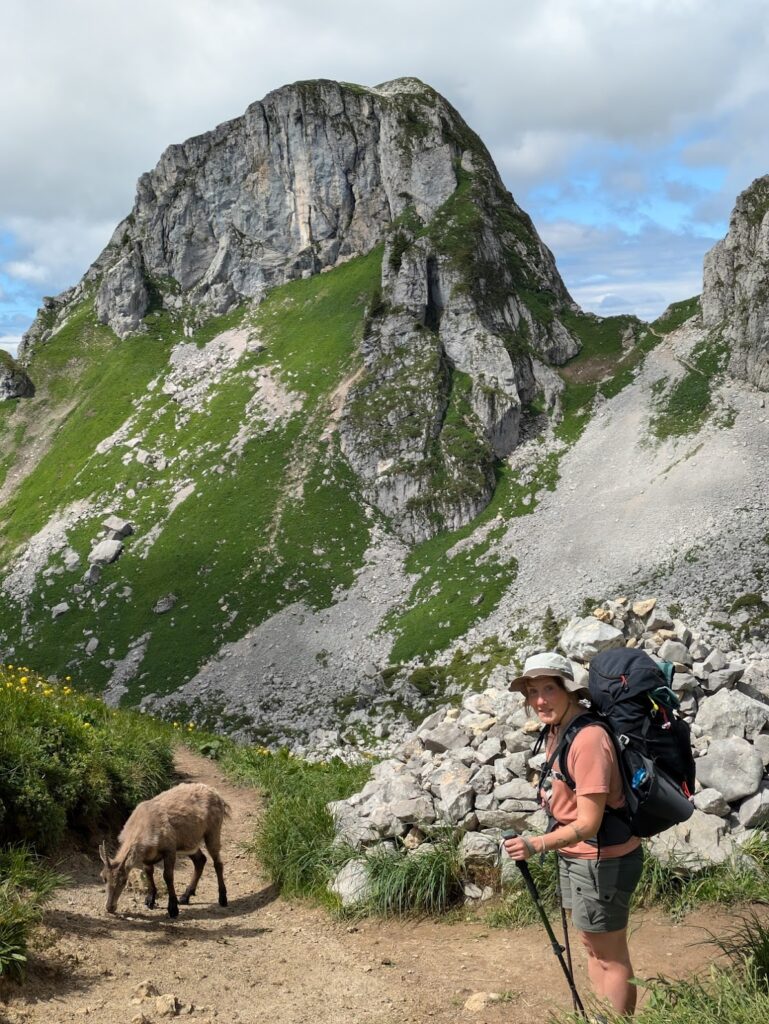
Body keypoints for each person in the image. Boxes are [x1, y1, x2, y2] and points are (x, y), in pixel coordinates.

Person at [503, 652, 644, 1017]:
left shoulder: (588, 739)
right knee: (590, 943)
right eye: (532, 692)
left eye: (549, 689)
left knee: (609, 953)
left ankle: (615, 1020)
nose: (539, 700)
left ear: (570, 690)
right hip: (578, 856)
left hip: (602, 859)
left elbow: (588, 824)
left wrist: (535, 844)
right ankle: (602, 1015)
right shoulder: (559, 731)